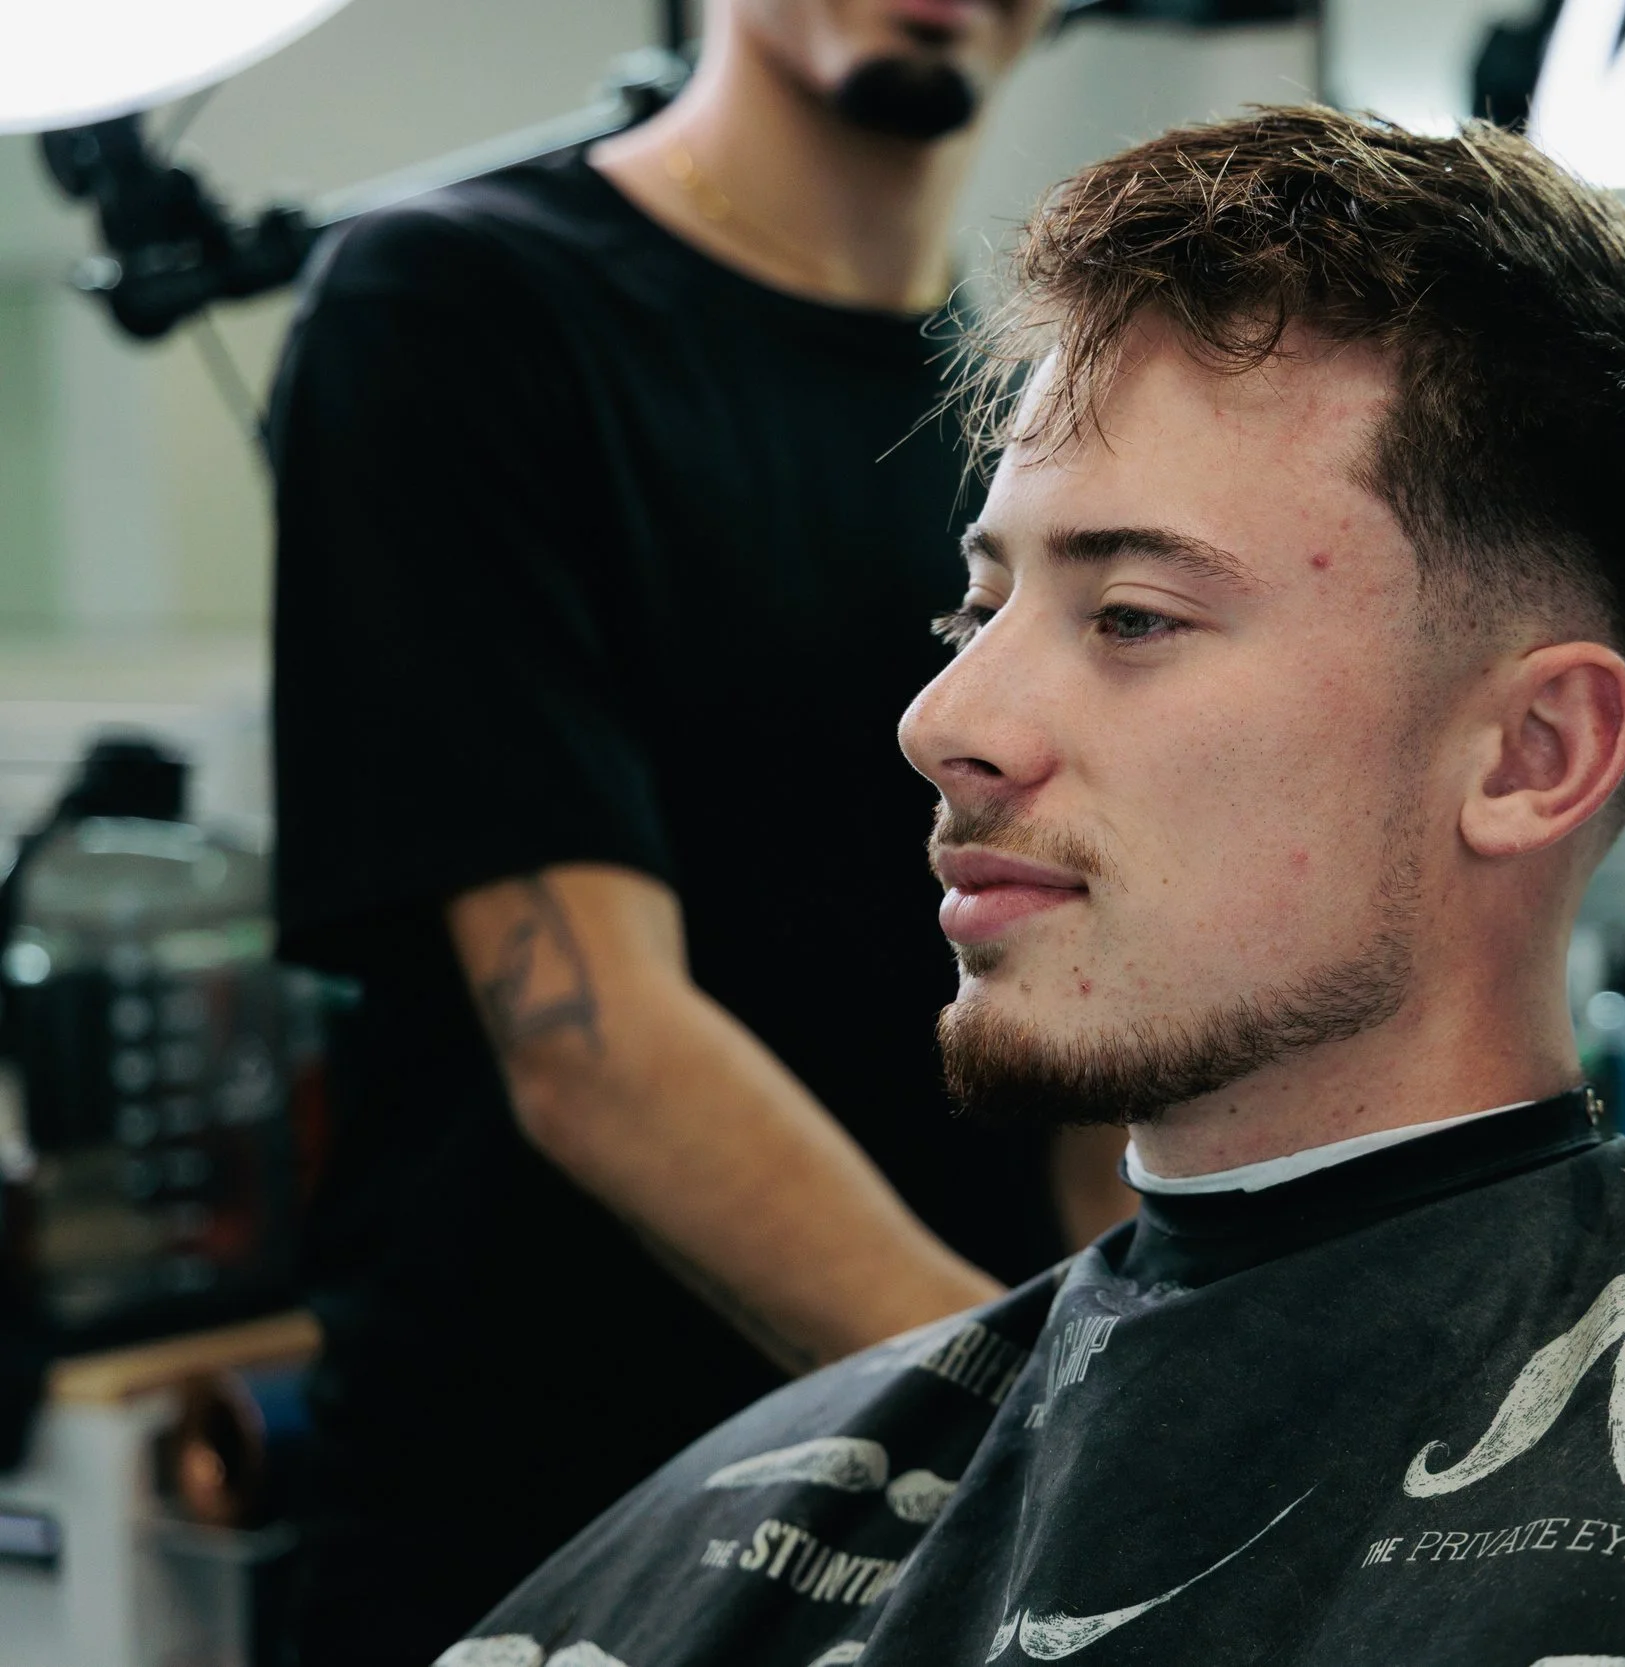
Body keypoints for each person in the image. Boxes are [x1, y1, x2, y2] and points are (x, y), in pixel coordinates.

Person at [433, 109, 1625, 1667]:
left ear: (1529, 755)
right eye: (980, 609)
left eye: (1131, 617)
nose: (943, 718)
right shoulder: (793, 1496)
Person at [263, 0, 1127, 1657]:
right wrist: (1043, 1431)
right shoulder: (456, 306)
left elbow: (1091, 1039)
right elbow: (594, 1044)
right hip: (556, 1533)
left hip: (944, 1563)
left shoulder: (1040, 412)